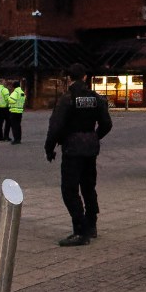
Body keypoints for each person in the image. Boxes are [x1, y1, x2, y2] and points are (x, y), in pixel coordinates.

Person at [44, 63, 113, 247]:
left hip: (73, 148)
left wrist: (49, 147)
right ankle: (91, 224)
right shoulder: (96, 98)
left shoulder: (68, 98)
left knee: (69, 189)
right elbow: (107, 123)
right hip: (90, 148)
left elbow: (55, 126)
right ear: (84, 77)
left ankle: (80, 230)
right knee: (89, 186)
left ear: (69, 79)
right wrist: (94, 136)